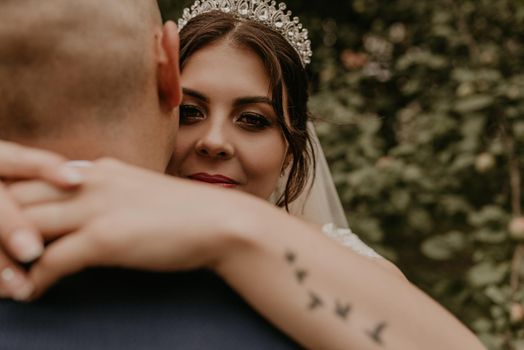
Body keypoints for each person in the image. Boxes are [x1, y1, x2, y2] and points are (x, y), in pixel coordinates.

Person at [0, 1, 486, 349]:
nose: (215, 141)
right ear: (165, 77)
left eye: (254, 120)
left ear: (291, 143)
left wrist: (236, 229)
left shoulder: (349, 272)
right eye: (191, 110)